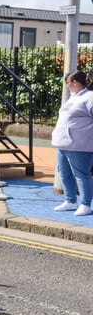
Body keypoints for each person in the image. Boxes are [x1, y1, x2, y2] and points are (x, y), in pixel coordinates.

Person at [51, 70, 93, 216]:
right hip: (63, 143)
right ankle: (70, 200)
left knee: (81, 174)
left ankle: (86, 204)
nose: (67, 86)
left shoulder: (90, 97)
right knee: (64, 172)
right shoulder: (74, 97)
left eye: (68, 83)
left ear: (75, 82)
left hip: (79, 145)